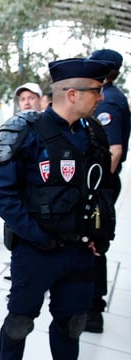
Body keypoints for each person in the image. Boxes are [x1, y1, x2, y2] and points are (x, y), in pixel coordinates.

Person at [0, 57, 117, 360]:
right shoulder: (26, 131)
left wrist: (101, 234)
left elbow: (103, 188)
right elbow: (0, 193)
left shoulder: (94, 133)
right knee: (19, 324)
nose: (101, 97)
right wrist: (38, 236)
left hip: (82, 252)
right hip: (36, 252)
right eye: (96, 91)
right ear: (72, 94)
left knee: (71, 326)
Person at [85, 48, 130, 333]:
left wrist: (94, 193)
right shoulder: (109, 97)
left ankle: (94, 310)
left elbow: (113, 152)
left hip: (102, 186)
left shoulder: (109, 102)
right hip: (101, 184)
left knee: (94, 241)